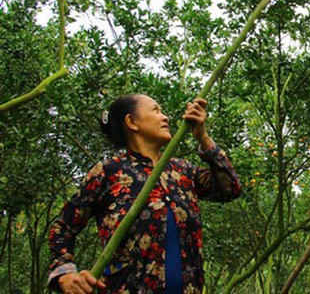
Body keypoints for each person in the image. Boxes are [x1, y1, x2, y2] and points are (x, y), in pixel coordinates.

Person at [47, 94, 241, 293]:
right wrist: (65, 273)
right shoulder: (109, 172)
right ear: (132, 122)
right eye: (156, 110)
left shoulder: (181, 171)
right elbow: (63, 228)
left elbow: (230, 188)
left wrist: (203, 136)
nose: (165, 117)